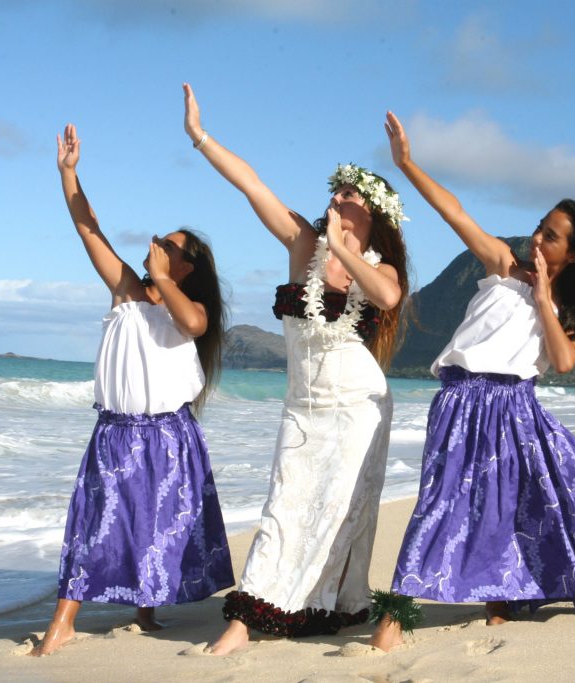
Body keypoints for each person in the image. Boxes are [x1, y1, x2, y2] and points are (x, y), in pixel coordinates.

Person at [369, 112, 575, 651]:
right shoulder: (503, 263)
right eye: (540, 224)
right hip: (461, 400)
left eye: (551, 235)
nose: (538, 236)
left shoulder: (566, 307)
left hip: (515, 407)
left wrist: (542, 302)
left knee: (507, 505)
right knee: (440, 502)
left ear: (572, 253)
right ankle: (395, 615)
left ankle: (499, 600)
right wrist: (407, 164)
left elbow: (563, 362)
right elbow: (454, 212)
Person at [181, 84, 411, 656]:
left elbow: (384, 297)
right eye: (334, 191)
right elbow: (253, 184)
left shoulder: (376, 266)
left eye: (349, 195)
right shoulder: (303, 245)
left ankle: (316, 608)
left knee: (341, 511)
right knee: (285, 502)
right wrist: (200, 138)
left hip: (359, 405)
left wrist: (346, 248)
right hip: (303, 404)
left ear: (372, 214)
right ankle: (250, 613)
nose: (336, 197)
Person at [30, 123, 234, 656]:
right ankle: (64, 621)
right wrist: (69, 173)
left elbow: (191, 324)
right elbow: (88, 228)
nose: (155, 246)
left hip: (168, 434)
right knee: (94, 522)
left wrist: (164, 275)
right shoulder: (125, 292)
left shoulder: (190, 307)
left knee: (155, 525)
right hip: (116, 431)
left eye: (169, 246)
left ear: (186, 267)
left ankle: (145, 610)